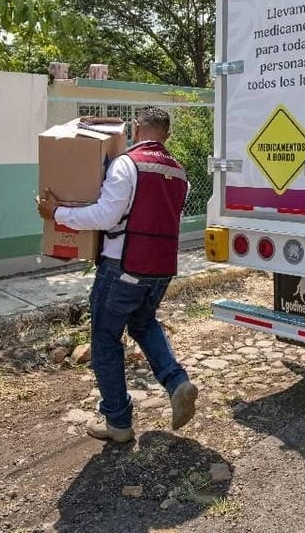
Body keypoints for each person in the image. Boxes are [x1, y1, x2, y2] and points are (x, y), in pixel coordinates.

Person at [36, 107, 198, 443]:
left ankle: (118, 422)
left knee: (106, 340)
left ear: (137, 129)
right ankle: (177, 382)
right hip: (162, 270)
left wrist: (57, 213)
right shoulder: (180, 173)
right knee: (143, 324)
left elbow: (107, 216)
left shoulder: (127, 164)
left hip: (123, 268)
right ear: (166, 135)